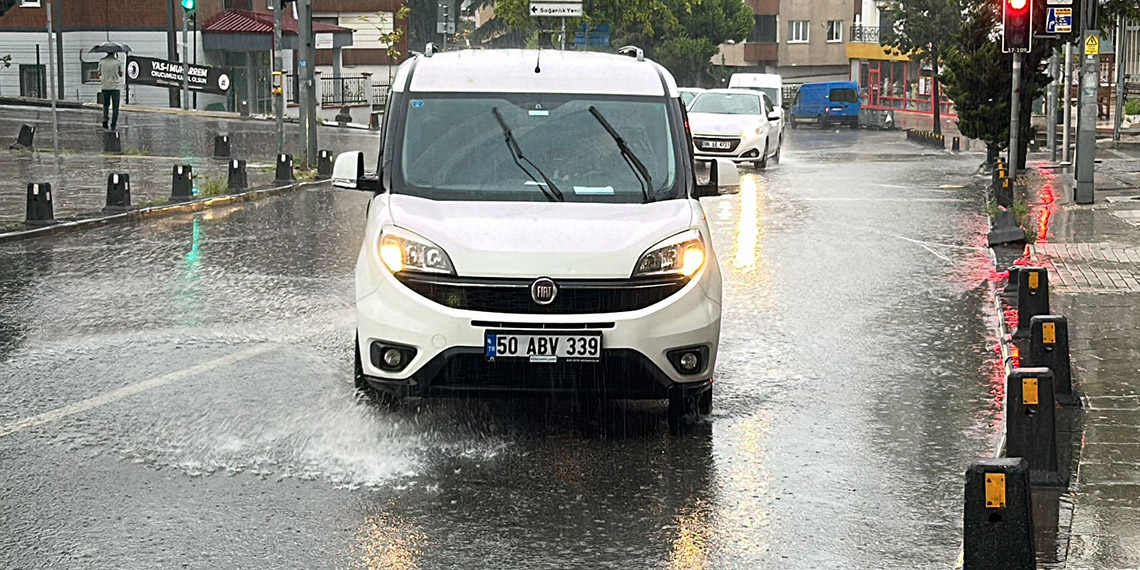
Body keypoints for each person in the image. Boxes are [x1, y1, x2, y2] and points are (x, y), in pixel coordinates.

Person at [98, 53, 123, 130]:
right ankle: (113, 124)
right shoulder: (117, 62)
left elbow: (99, 73)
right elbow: (120, 74)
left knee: (105, 105)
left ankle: (105, 120)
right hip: (115, 87)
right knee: (115, 107)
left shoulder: (101, 61)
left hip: (105, 86)